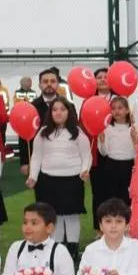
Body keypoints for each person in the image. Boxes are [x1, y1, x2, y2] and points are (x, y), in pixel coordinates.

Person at [26, 97, 91, 258]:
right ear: (50, 113)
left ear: (69, 112)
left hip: (72, 181)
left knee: (71, 216)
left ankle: (73, 250)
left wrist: (84, 170)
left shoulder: (77, 132)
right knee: (53, 216)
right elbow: (36, 157)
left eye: (62, 109)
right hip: (47, 181)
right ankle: (57, 250)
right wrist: (33, 176)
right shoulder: (43, 133)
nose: (58, 112)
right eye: (55, 109)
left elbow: (86, 155)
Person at [92, 96, 138, 221]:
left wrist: (135, 141)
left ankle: (127, 223)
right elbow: (104, 152)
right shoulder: (107, 129)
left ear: (127, 110)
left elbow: (137, 152)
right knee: (112, 198)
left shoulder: (133, 128)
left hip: (128, 167)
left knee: (127, 197)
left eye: (120, 108)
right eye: (113, 109)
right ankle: (113, 223)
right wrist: (102, 142)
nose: (117, 111)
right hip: (111, 167)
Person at [18, 68, 63, 176]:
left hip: (63, 159)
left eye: (53, 81)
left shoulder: (68, 107)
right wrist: (24, 162)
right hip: (39, 161)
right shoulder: (31, 108)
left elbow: (74, 131)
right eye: (45, 81)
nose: (49, 84)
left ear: (58, 84)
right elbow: (24, 136)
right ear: (39, 85)